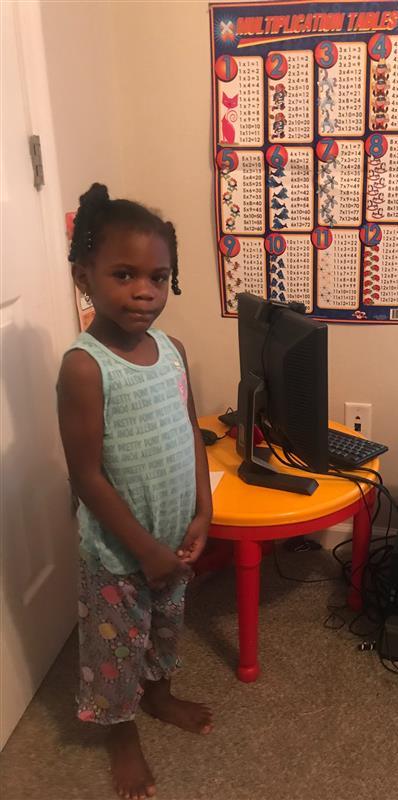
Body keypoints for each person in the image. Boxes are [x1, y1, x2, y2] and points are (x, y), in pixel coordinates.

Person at [57, 183, 213, 799]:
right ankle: (120, 732)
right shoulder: (84, 366)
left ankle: (160, 695)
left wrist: (204, 509)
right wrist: (144, 550)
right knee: (116, 649)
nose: (145, 291)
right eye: (124, 275)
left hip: (173, 537)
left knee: (166, 627)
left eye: (159, 277)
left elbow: (191, 431)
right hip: (119, 552)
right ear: (84, 278)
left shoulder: (173, 352)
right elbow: (86, 475)